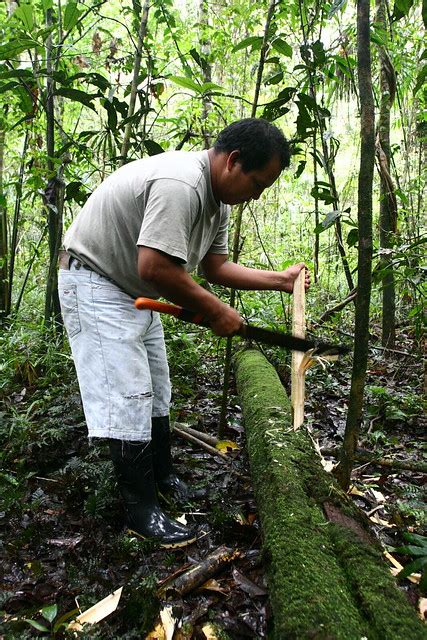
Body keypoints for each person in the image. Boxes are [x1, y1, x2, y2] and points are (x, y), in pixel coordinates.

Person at [58, 118, 310, 548]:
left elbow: (216, 267)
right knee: (128, 393)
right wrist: (214, 309)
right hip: (96, 281)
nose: (258, 194)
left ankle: (162, 475)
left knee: (157, 388)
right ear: (232, 162)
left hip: (132, 289)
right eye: (258, 183)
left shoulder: (217, 203)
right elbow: (155, 266)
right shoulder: (182, 185)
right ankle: (141, 511)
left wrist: (280, 280)